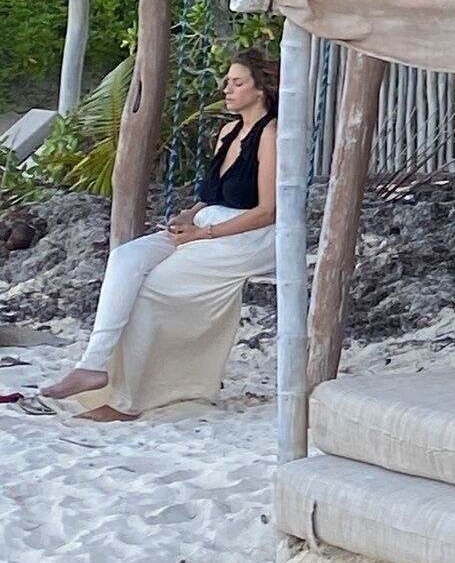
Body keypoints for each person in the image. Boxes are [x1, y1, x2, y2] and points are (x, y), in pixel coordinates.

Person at [29, 52, 283, 419]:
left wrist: (203, 233)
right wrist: (189, 216)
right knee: (126, 258)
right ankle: (93, 364)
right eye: (227, 80)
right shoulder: (228, 132)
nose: (226, 88)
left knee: (153, 289)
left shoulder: (271, 134)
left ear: (260, 91)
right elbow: (211, 196)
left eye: (237, 82)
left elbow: (267, 211)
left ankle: (128, 403)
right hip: (206, 225)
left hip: (251, 236)